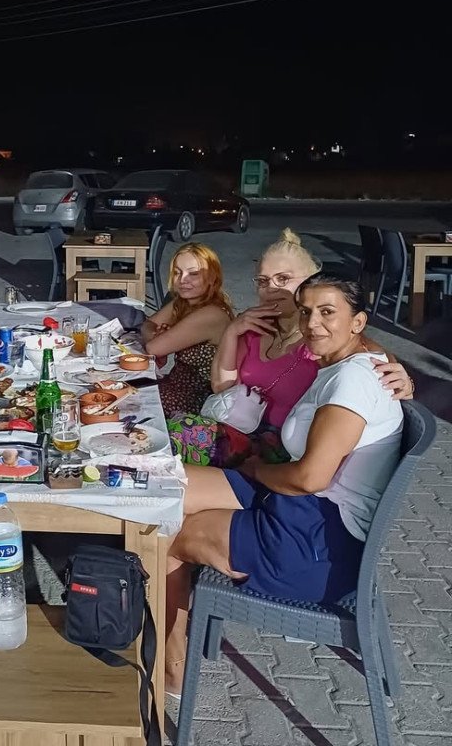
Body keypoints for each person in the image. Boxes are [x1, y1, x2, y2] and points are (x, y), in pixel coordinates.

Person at [164, 273, 404, 695]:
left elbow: (311, 478)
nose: (313, 323)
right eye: (307, 311)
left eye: (327, 312)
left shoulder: (353, 380)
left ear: (358, 322)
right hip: (295, 503)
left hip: (316, 543)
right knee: (166, 490)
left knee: (171, 536)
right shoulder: (350, 362)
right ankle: (148, 614)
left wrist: (257, 471)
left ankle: (171, 670)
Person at [207, 228, 413, 467]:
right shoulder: (253, 327)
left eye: (283, 279)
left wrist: (405, 381)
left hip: (285, 449)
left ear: (310, 283)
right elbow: (222, 387)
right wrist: (232, 331)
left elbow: (367, 354)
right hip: (239, 427)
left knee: (181, 439)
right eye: (263, 281)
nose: (271, 288)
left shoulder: (319, 338)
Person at [140, 243, 233, 419]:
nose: (183, 279)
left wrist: (158, 340)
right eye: (177, 273)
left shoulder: (211, 314)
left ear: (212, 277)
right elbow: (147, 324)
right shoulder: (183, 303)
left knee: (124, 400)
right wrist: (156, 335)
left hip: (195, 401)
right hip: (174, 386)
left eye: (193, 273)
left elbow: (153, 348)